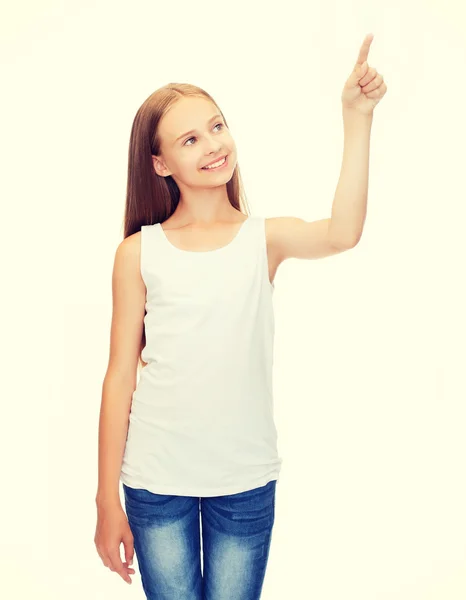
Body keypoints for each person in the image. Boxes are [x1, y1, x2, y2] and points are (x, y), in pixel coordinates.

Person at [94, 39, 385, 600]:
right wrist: (107, 498)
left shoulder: (263, 239)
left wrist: (357, 116)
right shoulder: (138, 252)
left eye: (217, 126)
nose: (212, 144)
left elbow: (342, 232)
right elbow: (119, 378)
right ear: (160, 164)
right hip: (156, 480)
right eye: (189, 139)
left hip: (245, 479)